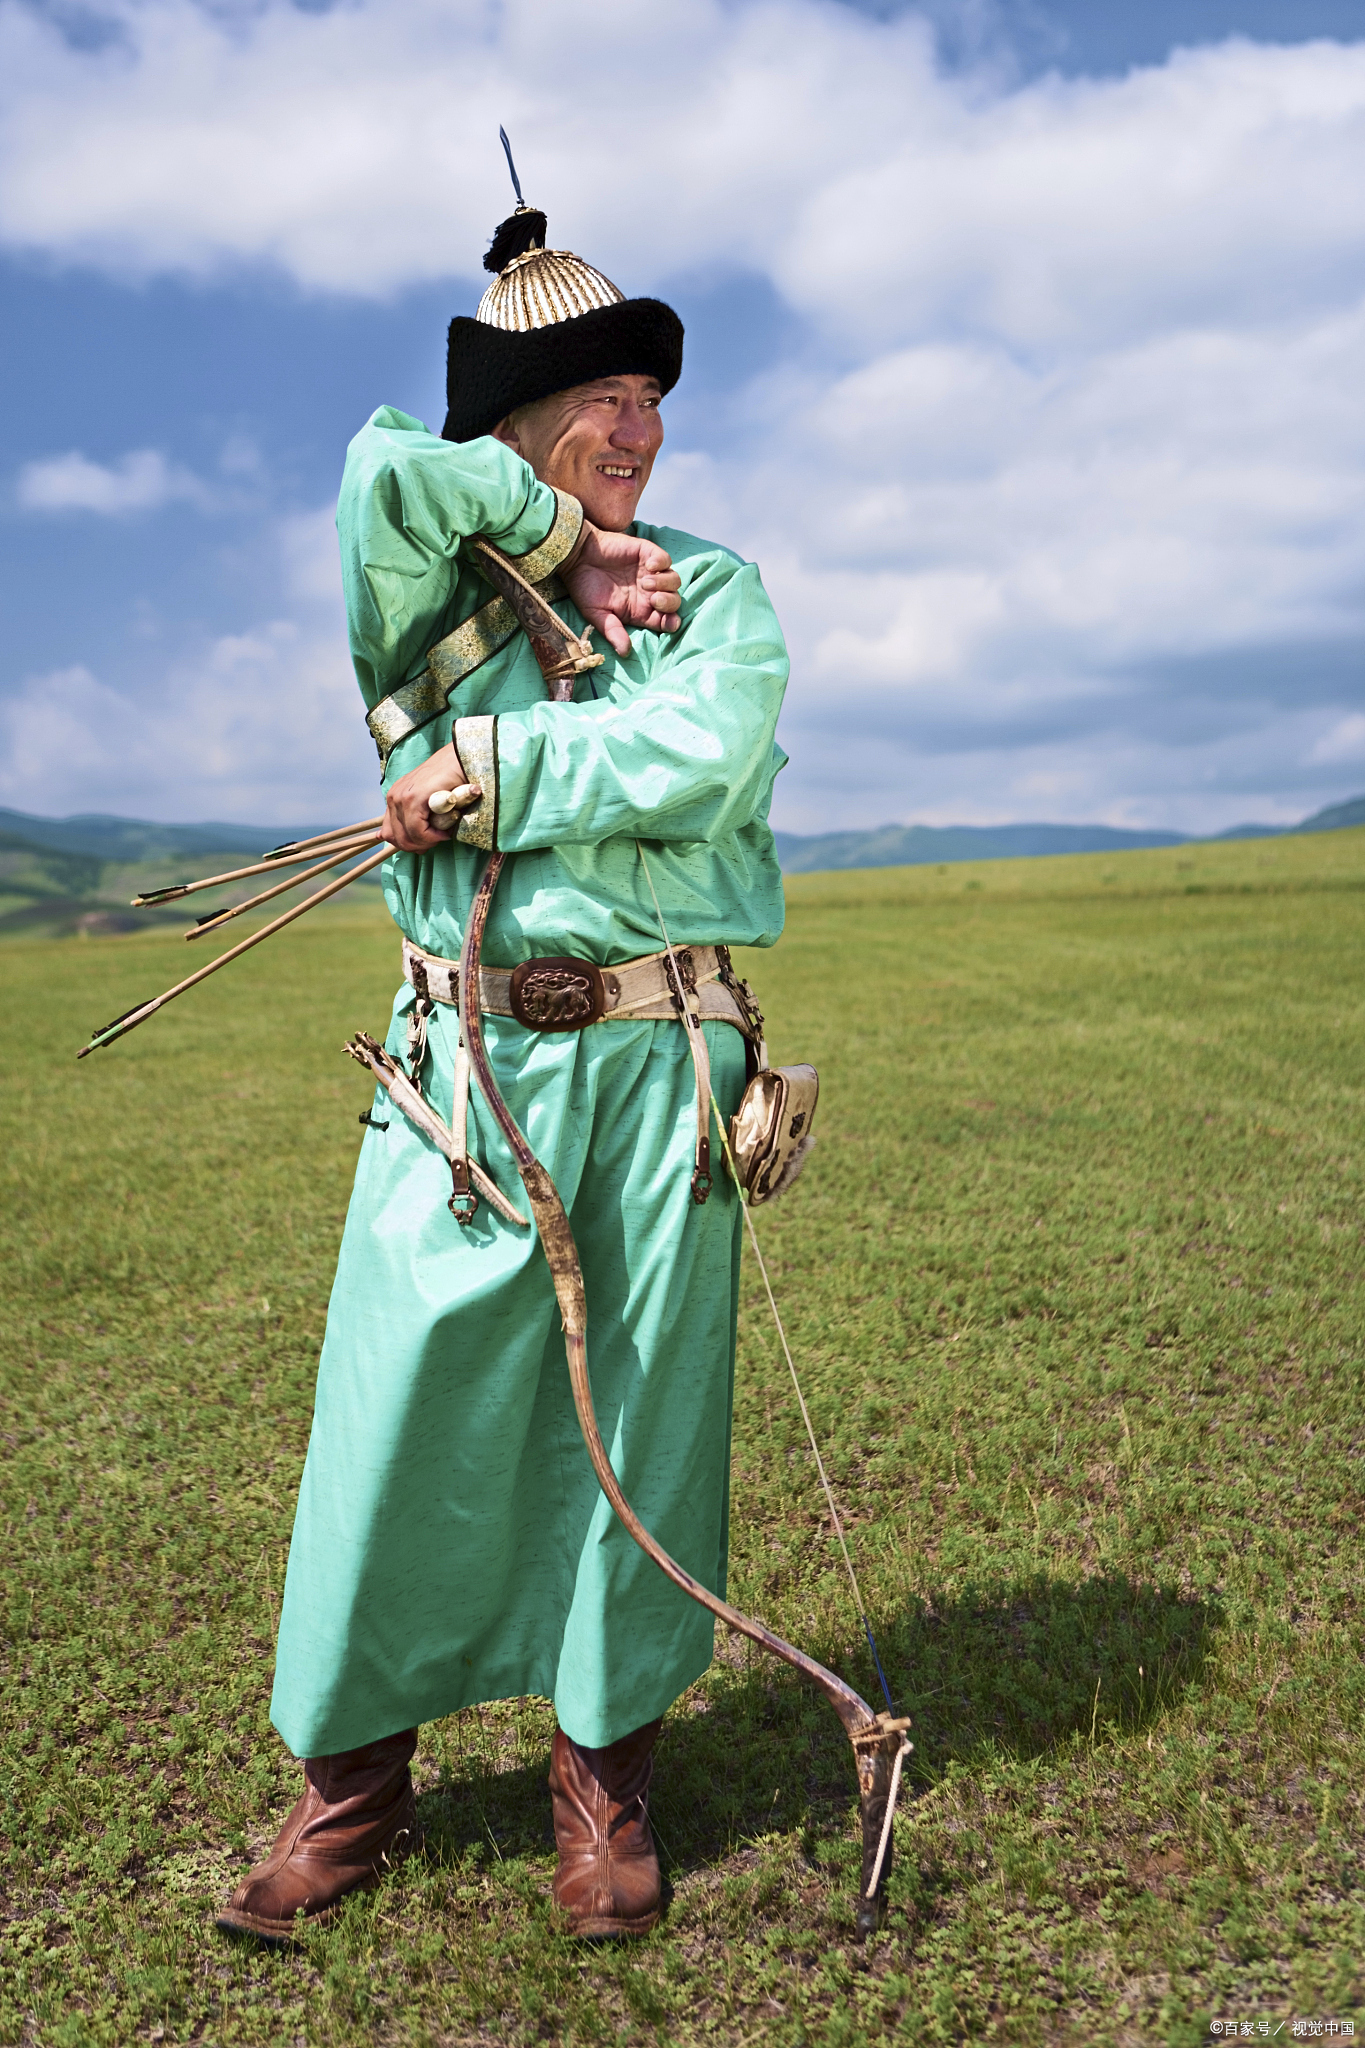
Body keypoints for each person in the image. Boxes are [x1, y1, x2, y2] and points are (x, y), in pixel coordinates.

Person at [216, 193, 790, 1945]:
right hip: (459, 1061)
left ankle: (599, 1769)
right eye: (607, 399)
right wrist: (549, 539)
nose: (645, 432)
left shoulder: (712, 590)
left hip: (654, 1055)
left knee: (636, 1412)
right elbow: (383, 470)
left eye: (651, 400)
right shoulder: (433, 570)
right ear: (531, 425)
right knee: (403, 1406)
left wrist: (498, 767)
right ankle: (353, 1779)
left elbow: (704, 744)